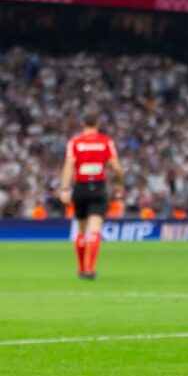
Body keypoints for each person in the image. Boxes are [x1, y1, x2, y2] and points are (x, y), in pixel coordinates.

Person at [59, 111, 123, 280]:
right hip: (99, 187)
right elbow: (115, 167)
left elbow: (69, 165)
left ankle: (80, 268)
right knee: (95, 229)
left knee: (81, 228)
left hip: (80, 188)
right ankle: (90, 268)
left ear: (82, 124)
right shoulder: (105, 141)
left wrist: (65, 189)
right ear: (98, 124)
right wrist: (120, 184)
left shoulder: (75, 142)